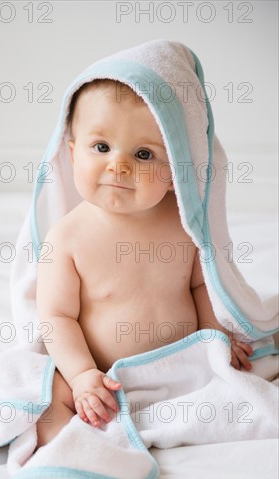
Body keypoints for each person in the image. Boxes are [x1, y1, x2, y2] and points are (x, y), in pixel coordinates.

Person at [36, 79, 253, 448]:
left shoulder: (185, 223)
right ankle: (62, 456)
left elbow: (202, 285)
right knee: (46, 399)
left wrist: (215, 334)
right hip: (104, 376)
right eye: (101, 147)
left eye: (144, 155)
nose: (118, 166)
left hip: (184, 364)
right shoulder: (67, 237)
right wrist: (82, 374)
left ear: (175, 171)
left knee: (250, 386)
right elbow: (56, 318)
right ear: (73, 154)